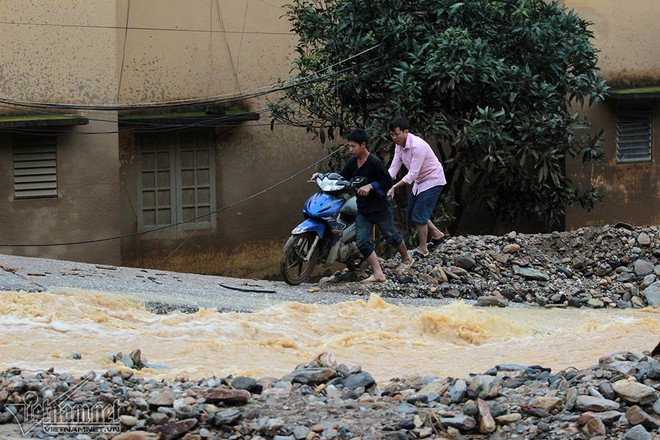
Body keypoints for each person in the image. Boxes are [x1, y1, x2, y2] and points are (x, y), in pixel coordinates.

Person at [318, 129, 414, 283]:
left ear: (363, 145)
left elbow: (387, 182)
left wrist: (370, 186)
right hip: (363, 210)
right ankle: (378, 273)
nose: (350, 150)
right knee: (363, 242)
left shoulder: (375, 162)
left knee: (391, 236)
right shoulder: (352, 163)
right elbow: (341, 178)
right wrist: (322, 176)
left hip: (380, 208)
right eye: (348, 146)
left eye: (353, 146)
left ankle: (407, 258)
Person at [386, 116, 447, 259]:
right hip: (420, 182)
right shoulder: (399, 147)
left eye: (397, 134)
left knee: (419, 215)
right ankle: (437, 235)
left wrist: (394, 187)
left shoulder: (417, 146)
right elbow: (393, 169)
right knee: (413, 213)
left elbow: (412, 174)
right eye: (392, 134)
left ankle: (423, 248)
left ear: (406, 132)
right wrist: (381, 183)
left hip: (433, 179)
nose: (394, 137)